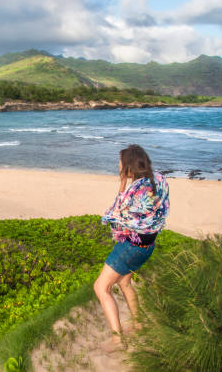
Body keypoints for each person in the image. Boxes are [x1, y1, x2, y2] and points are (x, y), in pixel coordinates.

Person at [93, 144, 170, 352]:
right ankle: (138, 323)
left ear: (128, 166)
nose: (117, 166)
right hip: (148, 246)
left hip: (131, 247)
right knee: (125, 282)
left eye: (120, 163)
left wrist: (122, 184)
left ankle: (118, 340)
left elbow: (112, 215)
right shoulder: (159, 181)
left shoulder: (132, 192)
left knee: (101, 287)